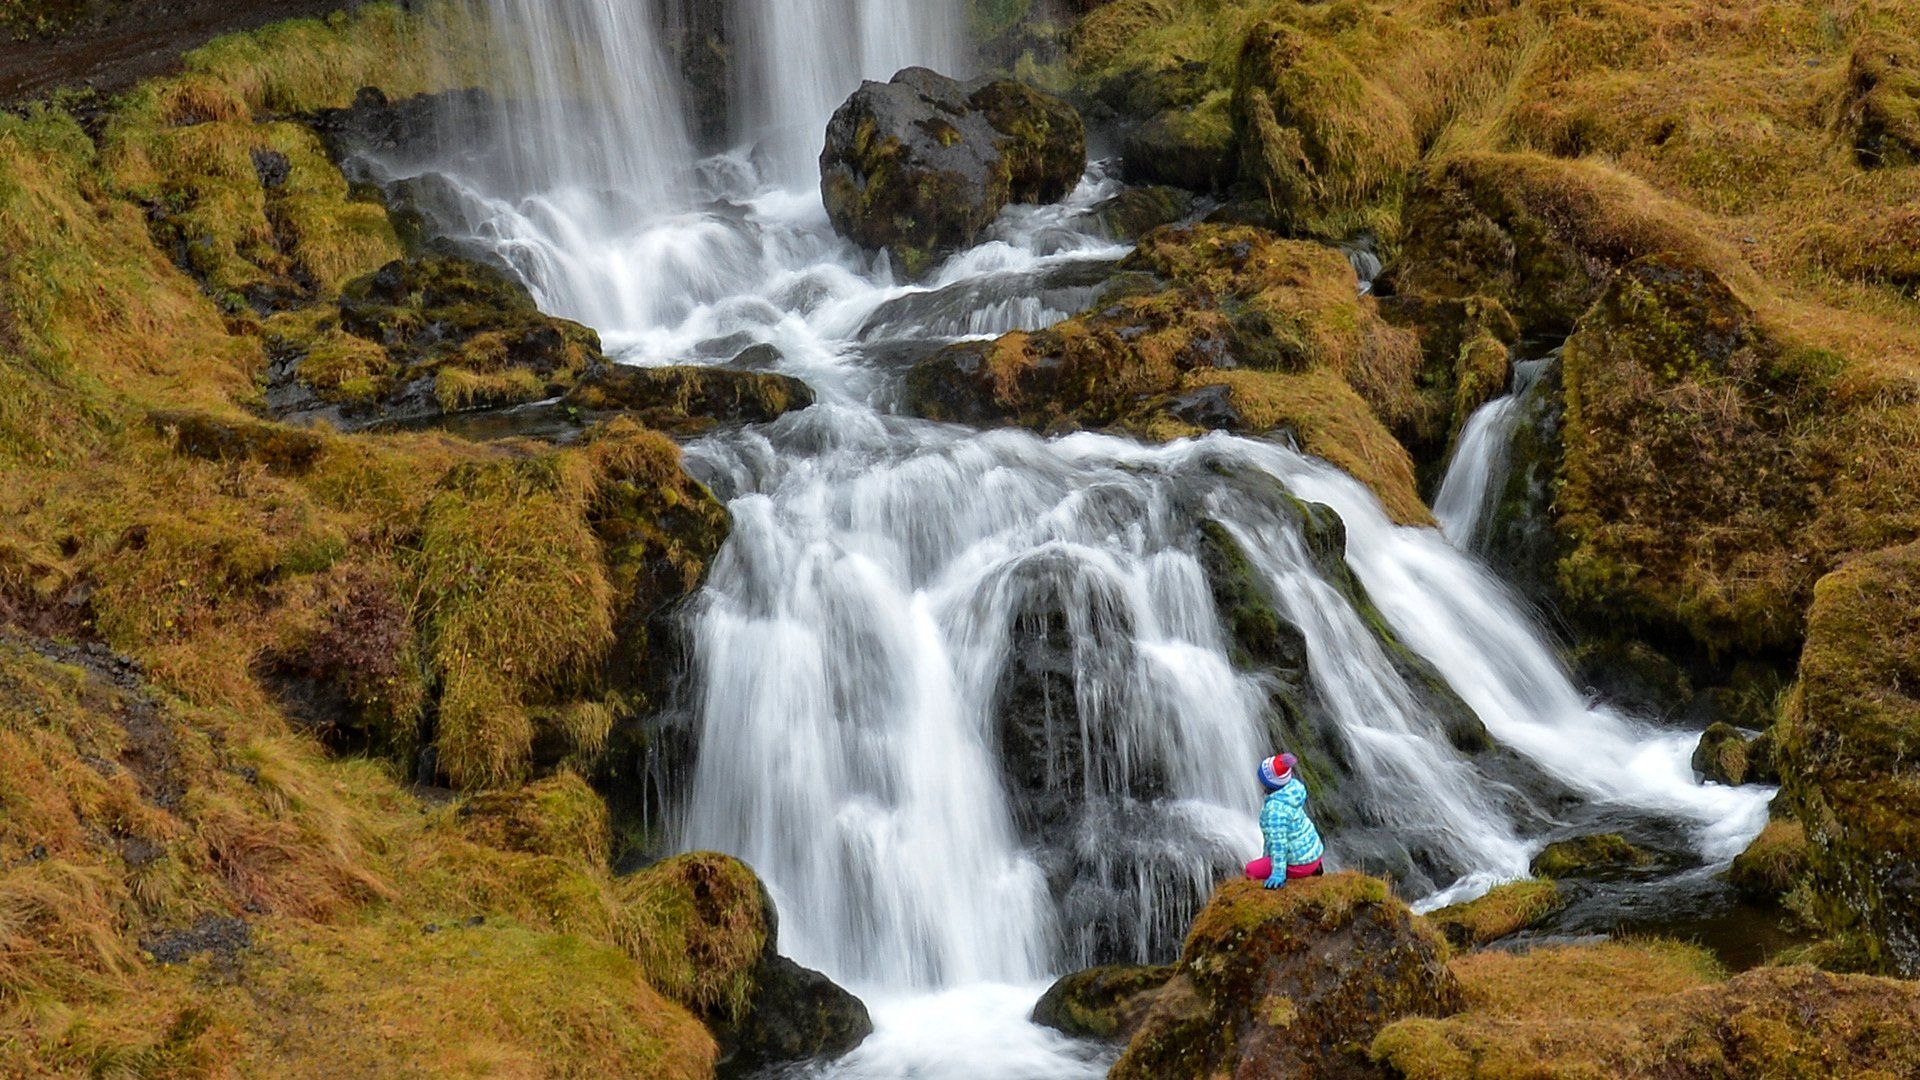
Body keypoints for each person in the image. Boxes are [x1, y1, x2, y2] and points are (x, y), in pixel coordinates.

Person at [1244, 752, 1325, 889]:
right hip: (1314, 853)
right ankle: (1312, 869)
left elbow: (1279, 844)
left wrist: (1278, 873)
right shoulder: (1292, 791)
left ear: (1268, 783)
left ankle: (1298, 873)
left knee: (1250, 870)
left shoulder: (1275, 811)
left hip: (1300, 864)